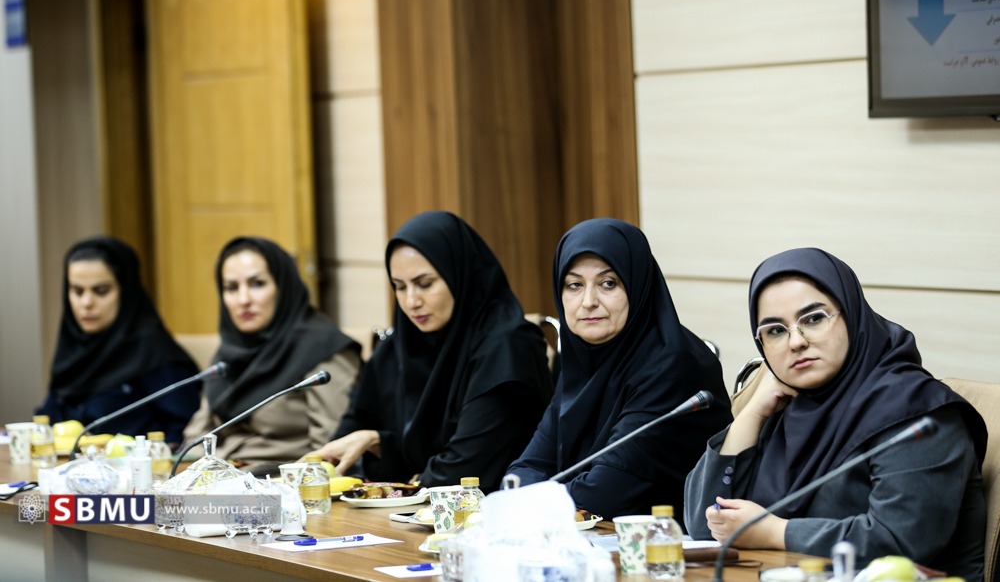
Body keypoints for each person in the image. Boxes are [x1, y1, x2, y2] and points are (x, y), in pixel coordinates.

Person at [684, 248, 987, 581]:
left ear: (851, 314)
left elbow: (901, 543)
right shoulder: (787, 406)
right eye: (775, 331)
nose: (795, 342)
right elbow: (704, 526)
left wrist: (774, 532)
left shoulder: (916, 412)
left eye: (813, 319)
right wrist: (752, 413)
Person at [307, 211, 553, 492]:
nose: (411, 301)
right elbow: (347, 443)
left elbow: (465, 469)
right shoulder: (398, 347)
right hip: (414, 510)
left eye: (425, 284)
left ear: (458, 274)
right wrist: (377, 443)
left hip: (494, 509)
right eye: (400, 287)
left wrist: (402, 480)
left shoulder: (509, 347)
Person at [505, 218, 732, 520]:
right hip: (601, 535)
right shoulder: (584, 358)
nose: (588, 302)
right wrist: (529, 495)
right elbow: (523, 470)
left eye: (608, 283)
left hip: (670, 540)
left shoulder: (673, 365)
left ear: (637, 285)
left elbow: (605, 493)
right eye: (574, 285)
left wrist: (529, 499)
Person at [182, 237, 361, 467]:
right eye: (232, 288)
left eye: (257, 284)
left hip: (283, 480)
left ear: (282, 286)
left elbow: (332, 450)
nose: (243, 300)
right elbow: (195, 438)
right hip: (223, 477)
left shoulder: (322, 349)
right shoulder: (233, 350)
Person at [36, 237, 200, 445]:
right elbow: (46, 420)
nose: (86, 303)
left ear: (126, 291)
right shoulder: (72, 349)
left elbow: (186, 432)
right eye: (77, 291)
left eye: (101, 291)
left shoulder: (153, 351)